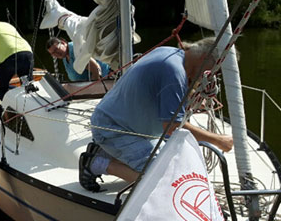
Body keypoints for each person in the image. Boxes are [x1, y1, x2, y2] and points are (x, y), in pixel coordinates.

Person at [79, 37, 234, 191]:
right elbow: (171, 127)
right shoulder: (174, 72)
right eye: (215, 69)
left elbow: (165, 92)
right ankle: (95, 163)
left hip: (129, 128)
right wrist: (219, 140)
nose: (212, 75)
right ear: (203, 58)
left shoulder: (169, 53)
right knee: (164, 179)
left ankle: (105, 153)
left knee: (176, 167)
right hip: (113, 130)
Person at [46, 36, 110, 81]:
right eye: (53, 53)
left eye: (56, 49)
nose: (56, 54)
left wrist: (93, 89)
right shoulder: (64, 55)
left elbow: (96, 69)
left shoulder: (75, 50)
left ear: (63, 43)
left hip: (106, 79)